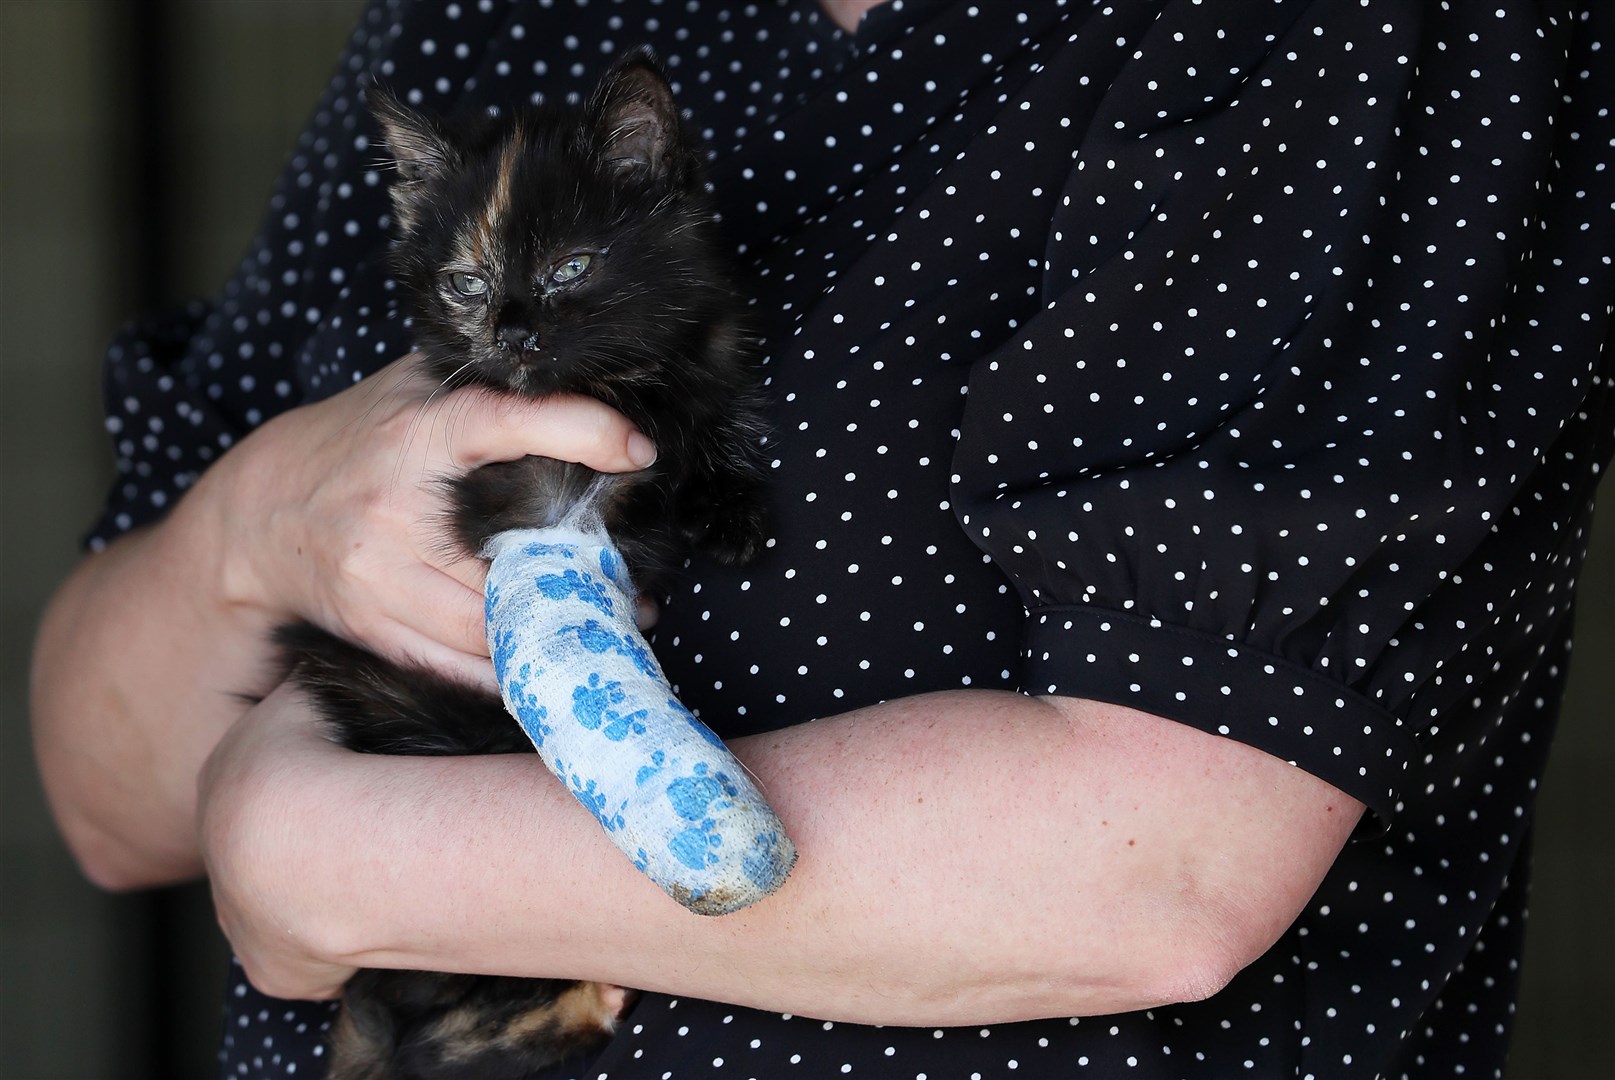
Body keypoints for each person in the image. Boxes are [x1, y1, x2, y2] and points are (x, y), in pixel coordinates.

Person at [30, 0, 1613, 1077]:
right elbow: (104, 796)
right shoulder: (481, 17)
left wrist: (320, 854)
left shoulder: (1340, 41)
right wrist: (267, 522)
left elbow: (1167, 866)